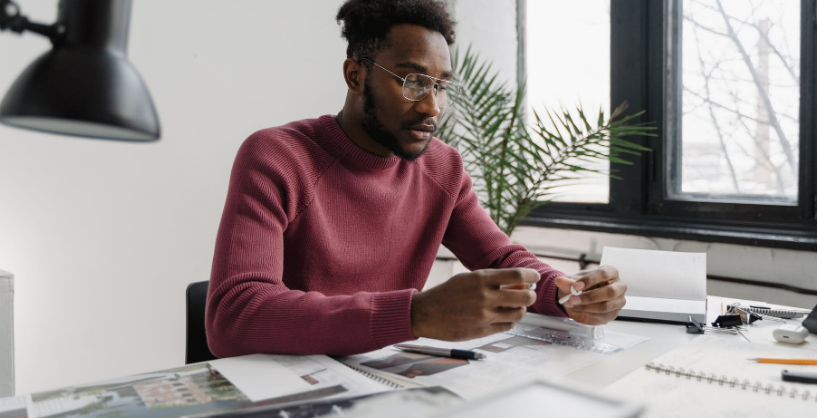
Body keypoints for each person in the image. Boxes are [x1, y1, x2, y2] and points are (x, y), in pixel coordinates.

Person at [206, 0, 627, 358]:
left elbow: (500, 259)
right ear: (356, 76)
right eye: (413, 82)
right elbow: (235, 314)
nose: (432, 107)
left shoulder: (443, 168)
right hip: (293, 385)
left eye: (441, 86)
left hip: (387, 381)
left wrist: (567, 293)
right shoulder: (277, 156)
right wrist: (416, 315)